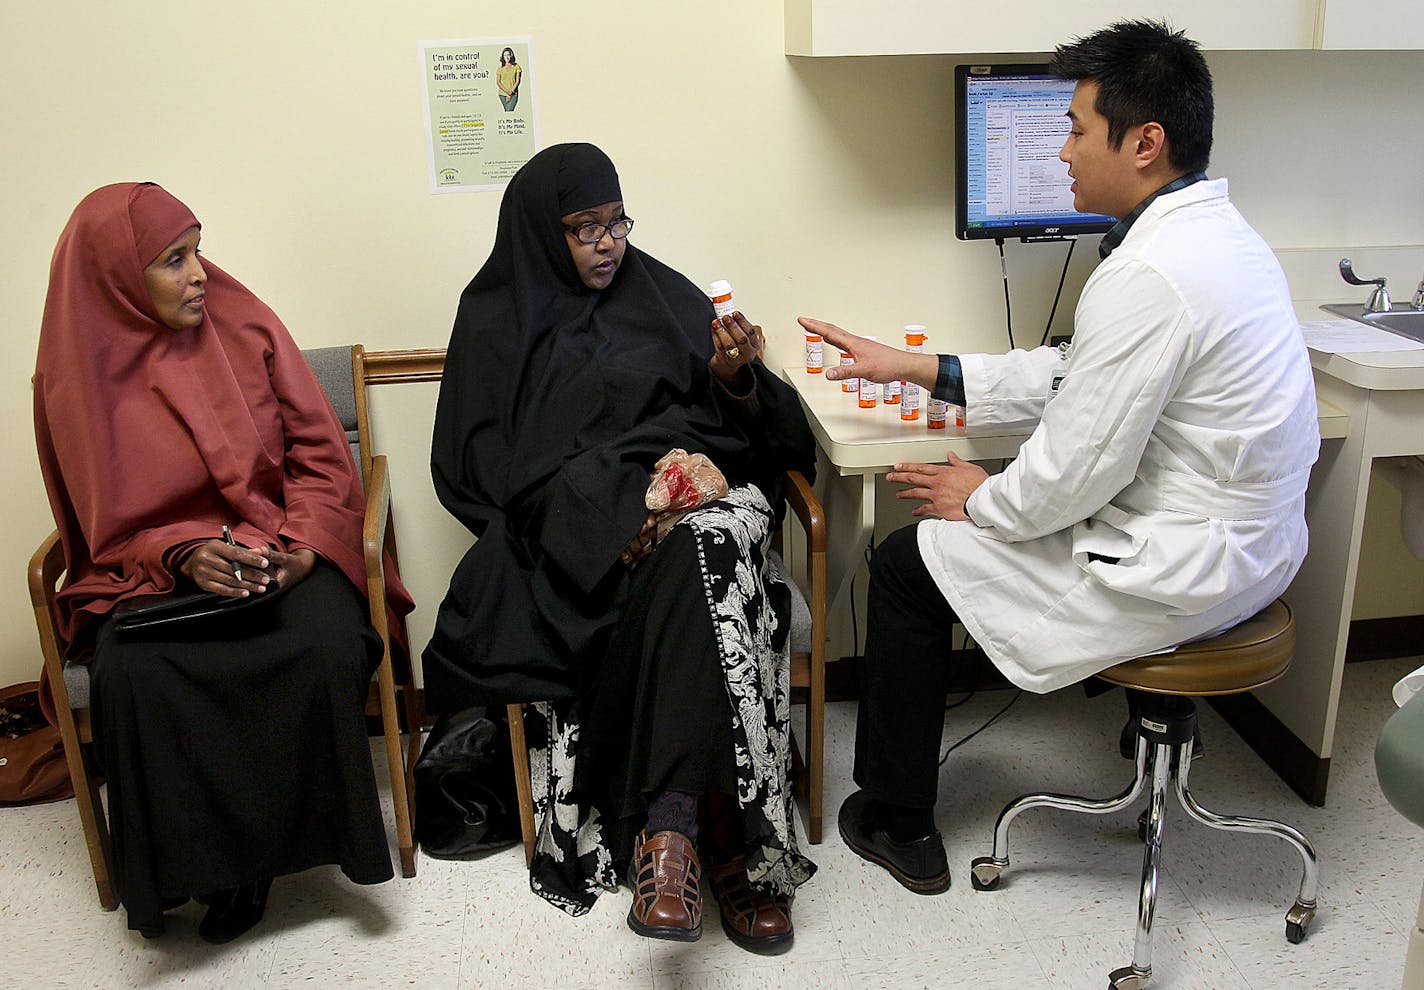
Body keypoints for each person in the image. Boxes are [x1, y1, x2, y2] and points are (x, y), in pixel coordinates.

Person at [800, 19, 1320, 894]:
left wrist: (981, 498)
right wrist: (919, 366)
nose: (1064, 151)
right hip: (1257, 554)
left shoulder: (1151, 275)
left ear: (1145, 143)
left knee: (903, 563)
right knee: (970, 524)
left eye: (1077, 129)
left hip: (1181, 568)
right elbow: (1074, 374)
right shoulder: (1219, 239)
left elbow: (1076, 474)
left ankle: (897, 818)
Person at [423, 143, 817, 951]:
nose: (607, 244)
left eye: (616, 223)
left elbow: (755, 432)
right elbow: (482, 475)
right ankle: (728, 846)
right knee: (696, 572)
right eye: (583, 229)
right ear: (542, 233)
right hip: (589, 535)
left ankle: (666, 839)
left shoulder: (662, 294)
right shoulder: (497, 319)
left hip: (707, 497)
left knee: (705, 547)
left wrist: (734, 378)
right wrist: (615, 515)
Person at [33, 182, 414, 941]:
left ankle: (285, 858)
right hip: (152, 576)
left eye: (196, 249)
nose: (200, 272)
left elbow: (320, 455)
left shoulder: (243, 323)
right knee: (134, 676)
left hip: (280, 541)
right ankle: (207, 871)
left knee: (323, 642)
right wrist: (182, 551)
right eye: (173, 260)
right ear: (116, 277)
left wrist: (303, 550)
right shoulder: (74, 377)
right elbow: (101, 530)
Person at [497, 47, 522, 111]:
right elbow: (498, 82)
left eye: (508, 55)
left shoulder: (517, 66)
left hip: (513, 93)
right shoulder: (500, 68)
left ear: (511, 55)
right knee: (507, 112)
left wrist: (510, 92)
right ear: (503, 57)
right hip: (502, 94)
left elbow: (517, 81)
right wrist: (507, 92)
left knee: (509, 111)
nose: (507, 57)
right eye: (505, 55)